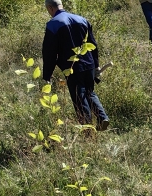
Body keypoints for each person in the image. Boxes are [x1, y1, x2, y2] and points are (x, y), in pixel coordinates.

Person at [42, 0, 110, 131]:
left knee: (80, 99)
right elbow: (93, 45)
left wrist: (47, 76)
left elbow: (49, 52)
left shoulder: (53, 24)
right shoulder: (82, 19)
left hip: (72, 68)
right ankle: (102, 118)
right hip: (89, 64)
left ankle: (88, 131)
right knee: (89, 92)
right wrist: (96, 66)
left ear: (50, 8)